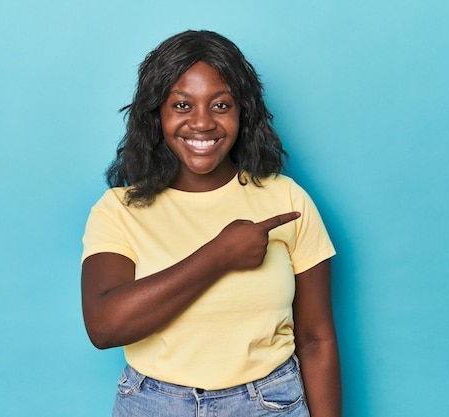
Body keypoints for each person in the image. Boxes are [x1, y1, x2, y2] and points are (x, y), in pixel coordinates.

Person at [81, 30, 341, 417]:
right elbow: (104, 327)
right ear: (157, 114)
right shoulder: (118, 209)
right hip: (153, 404)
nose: (202, 123)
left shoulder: (287, 199)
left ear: (242, 113)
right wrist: (218, 256)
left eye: (220, 105)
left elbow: (316, 338)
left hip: (268, 403)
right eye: (182, 105)